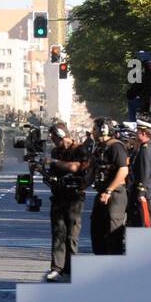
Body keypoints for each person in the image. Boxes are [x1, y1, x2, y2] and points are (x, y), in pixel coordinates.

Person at [43, 120, 91, 282]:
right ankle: (57, 268)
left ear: (62, 135)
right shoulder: (56, 151)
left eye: (54, 138)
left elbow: (74, 167)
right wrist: (42, 169)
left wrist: (54, 162)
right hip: (58, 195)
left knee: (71, 234)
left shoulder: (79, 150)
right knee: (58, 232)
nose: (53, 141)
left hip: (74, 196)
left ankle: (72, 268)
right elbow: (53, 173)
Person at [90, 118, 130, 255]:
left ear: (103, 129)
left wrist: (109, 190)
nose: (92, 131)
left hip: (114, 194)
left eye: (95, 128)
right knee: (97, 230)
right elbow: (93, 171)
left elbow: (123, 170)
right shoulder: (99, 147)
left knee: (113, 232)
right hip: (102, 192)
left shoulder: (116, 146)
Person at [128, 120, 151, 227]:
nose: (136, 133)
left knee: (146, 222)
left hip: (146, 190)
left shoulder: (145, 149)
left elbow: (144, 171)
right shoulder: (150, 146)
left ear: (143, 133)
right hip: (150, 188)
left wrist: (141, 192)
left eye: (138, 131)